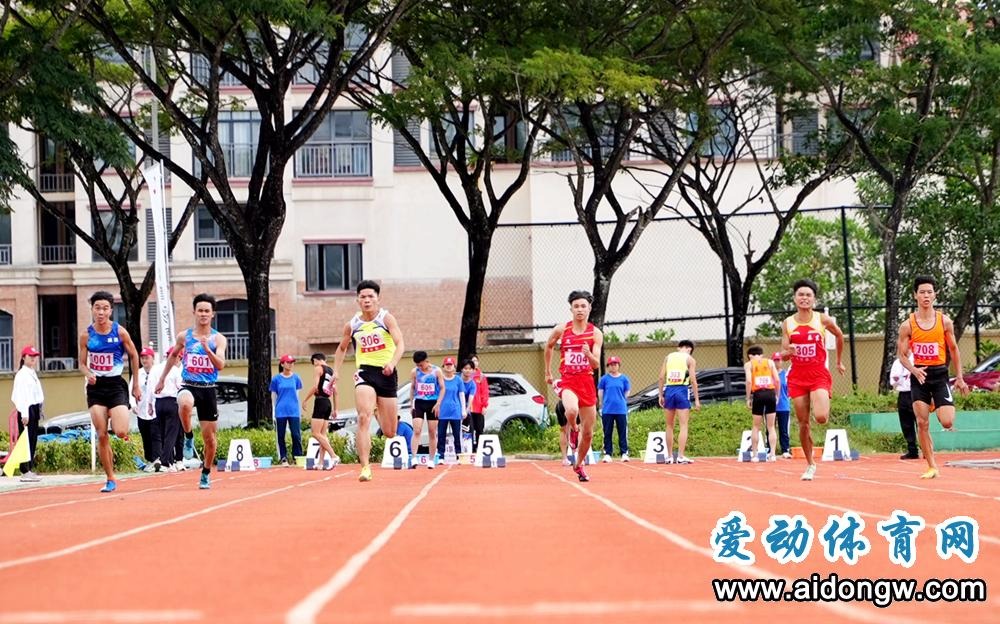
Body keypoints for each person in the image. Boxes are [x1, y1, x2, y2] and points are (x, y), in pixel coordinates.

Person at [332, 280, 405, 482]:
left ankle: (378, 409)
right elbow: (341, 348)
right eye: (363, 297)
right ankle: (365, 467)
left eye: (370, 296)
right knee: (363, 417)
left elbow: (400, 343)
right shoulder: (352, 325)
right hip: (365, 372)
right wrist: (336, 372)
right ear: (357, 300)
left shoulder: (386, 318)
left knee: (390, 432)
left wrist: (392, 363)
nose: (367, 300)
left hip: (387, 373)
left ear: (378, 299)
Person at [896, 275, 968, 479]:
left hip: (939, 375)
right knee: (922, 423)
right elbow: (901, 355)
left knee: (947, 422)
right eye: (922, 292)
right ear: (915, 295)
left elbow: (954, 349)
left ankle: (936, 403)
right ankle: (932, 466)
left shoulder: (944, 322)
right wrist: (914, 370)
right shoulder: (907, 325)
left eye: (929, 292)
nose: (926, 296)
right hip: (920, 376)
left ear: (935, 295)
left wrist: (960, 377)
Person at [156, 293, 228, 490]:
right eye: (200, 310)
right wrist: (162, 379)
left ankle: (206, 472)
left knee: (210, 440)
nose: (203, 314)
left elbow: (220, 365)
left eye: (207, 311)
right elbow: (173, 356)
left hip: (208, 389)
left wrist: (207, 350)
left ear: (212, 314)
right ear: (194, 312)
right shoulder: (184, 336)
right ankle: (188, 436)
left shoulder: (218, 339)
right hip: (189, 384)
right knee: (184, 403)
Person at [779, 279, 845, 481]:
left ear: (814, 299)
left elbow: (840, 335)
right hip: (797, 377)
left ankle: (821, 403)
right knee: (803, 423)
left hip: (818, 374)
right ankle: (810, 464)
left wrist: (839, 361)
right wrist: (788, 352)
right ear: (794, 298)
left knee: (821, 417)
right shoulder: (788, 323)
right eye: (801, 295)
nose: (804, 298)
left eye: (808, 295)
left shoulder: (822, 319)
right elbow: (783, 353)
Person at [79, 291, 142, 493]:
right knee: (102, 434)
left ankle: (115, 429)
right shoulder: (87, 335)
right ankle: (110, 478)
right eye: (97, 308)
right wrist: (88, 373)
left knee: (121, 431)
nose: (101, 312)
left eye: (105, 308)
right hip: (96, 387)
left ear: (111, 311)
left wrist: (136, 384)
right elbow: (81, 363)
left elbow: (134, 355)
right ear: (92, 309)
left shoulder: (120, 332)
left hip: (116, 385)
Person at [544, 290, 603, 482]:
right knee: (571, 410)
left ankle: (579, 464)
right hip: (568, 380)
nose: (579, 309)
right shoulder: (562, 329)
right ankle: (573, 429)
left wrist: (588, 354)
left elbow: (596, 364)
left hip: (586, 383)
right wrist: (547, 371)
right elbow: (549, 346)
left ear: (589, 308)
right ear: (571, 309)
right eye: (576, 306)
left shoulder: (595, 333)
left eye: (583, 306)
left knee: (589, 433)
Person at [657, 340, 700, 465]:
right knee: (683, 425)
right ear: (689, 349)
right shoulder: (690, 359)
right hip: (682, 390)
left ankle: (670, 456)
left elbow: (661, 377)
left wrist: (660, 394)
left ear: (678, 348)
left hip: (669, 389)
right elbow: (693, 380)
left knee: (669, 425)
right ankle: (680, 456)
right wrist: (697, 399)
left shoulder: (668, 357)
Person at [301, 353, 340, 469]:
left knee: (315, 433)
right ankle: (320, 463)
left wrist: (305, 400)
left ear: (316, 360)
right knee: (322, 435)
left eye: (313, 363)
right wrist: (336, 408)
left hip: (320, 401)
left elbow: (315, 387)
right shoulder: (331, 371)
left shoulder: (318, 368)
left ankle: (333, 455)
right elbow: (336, 392)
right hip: (327, 403)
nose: (314, 365)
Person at [10, 345, 43, 482]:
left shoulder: (32, 373)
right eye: (30, 356)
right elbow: (20, 395)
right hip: (26, 409)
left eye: (35, 356)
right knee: (26, 439)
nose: (33, 359)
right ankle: (24, 469)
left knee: (33, 438)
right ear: (24, 357)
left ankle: (29, 467)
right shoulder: (21, 375)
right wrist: (24, 413)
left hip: (34, 408)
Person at [433, 357, 471, 467]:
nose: (449, 367)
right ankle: (441, 456)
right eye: (447, 365)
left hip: (455, 411)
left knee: (457, 435)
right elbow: (436, 395)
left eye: (451, 365)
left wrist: (463, 410)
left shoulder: (458, 380)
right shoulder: (439, 380)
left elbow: (461, 395)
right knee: (441, 435)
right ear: (443, 367)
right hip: (442, 411)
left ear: (454, 367)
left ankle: (459, 455)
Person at [151, 347, 185, 472]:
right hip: (172, 401)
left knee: (163, 433)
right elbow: (180, 387)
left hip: (159, 402)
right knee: (171, 433)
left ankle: (170, 462)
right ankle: (165, 461)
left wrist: (150, 404)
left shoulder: (155, 369)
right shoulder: (175, 370)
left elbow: (150, 387)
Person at [744, 345, 780, 462]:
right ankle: (772, 454)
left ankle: (755, 455)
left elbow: (749, 381)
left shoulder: (749, 364)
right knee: (771, 426)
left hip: (758, 394)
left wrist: (748, 398)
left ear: (750, 356)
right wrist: (777, 395)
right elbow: (777, 380)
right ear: (761, 354)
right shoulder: (770, 362)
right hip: (770, 393)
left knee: (756, 426)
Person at [409, 350, 444, 465]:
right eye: (417, 365)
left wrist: (438, 403)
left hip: (432, 403)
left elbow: (442, 388)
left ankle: (431, 459)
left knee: (432, 432)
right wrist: (411, 404)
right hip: (419, 402)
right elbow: (412, 388)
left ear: (426, 361)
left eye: (421, 364)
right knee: (417, 430)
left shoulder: (436, 371)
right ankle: (414, 458)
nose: (419, 367)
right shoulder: (415, 372)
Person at [271, 355, 304, 466]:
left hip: (293, 411)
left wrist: (298, 408)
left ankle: (297, 456)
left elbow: (297, 395)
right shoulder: (276, 379)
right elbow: (274, 396)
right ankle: (283, 457)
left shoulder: (296, 378)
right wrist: (274, 410)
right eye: (288, 362)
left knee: (296, 434)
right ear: (282, 364)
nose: (290, 364)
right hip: (281, 411)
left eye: (292, 362)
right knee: (281, 435)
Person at [598, 355, 631, 462]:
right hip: (607, 409)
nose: (613, 366)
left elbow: (627, 391)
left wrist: (622, 399)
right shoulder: (604, 379)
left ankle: (624, 453)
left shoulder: (624, 378)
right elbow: (600, 392)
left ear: (619, 365)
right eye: (611, 364)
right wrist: (602, 403)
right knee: (607, 432)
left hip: (621, 409)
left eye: (615, 364)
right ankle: (608, 453)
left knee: (622, 431)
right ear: (608, 366)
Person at [135, 347, 163, 471]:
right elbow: (132, 388)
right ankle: (150, 460)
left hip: (155, 410)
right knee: (145, 436)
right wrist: (133, 405)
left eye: (147, 358)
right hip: (141, 411)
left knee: (156, 435)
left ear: (152, 358)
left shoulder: (158, 372)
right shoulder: (138, 373)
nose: (144, 360)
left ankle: (158, 459)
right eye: (142, 358)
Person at [889, 352, 919, 460]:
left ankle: (926, 449)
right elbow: (893, 380)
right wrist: (902, 378)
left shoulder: (916, 360)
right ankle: (912, 450)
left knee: (920, 422)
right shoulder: (897, 362)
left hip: (915, 392)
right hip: (903, 394)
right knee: (906, 423)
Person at [468, 353, 489, 452]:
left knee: (479, 429)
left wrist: (484, 405)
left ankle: (480, 448)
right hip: (468, 408)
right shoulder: (466, 375)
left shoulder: (481, 376)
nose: (475, 362)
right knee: (469, 429)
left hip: (478, 407)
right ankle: (470, 448)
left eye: (476, 360)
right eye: (473, 361)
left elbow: (485, 392)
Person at [772, 352, 792, 459]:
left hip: (783, 405)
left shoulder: (786, 375)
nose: (777, 362)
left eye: (778, 360)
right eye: (775, 360)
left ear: (781, 361)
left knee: (783, 429)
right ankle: (770, 449)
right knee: (770, 428)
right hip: (771, 406)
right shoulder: (769, 374)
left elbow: (790, 389)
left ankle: (785, 449)